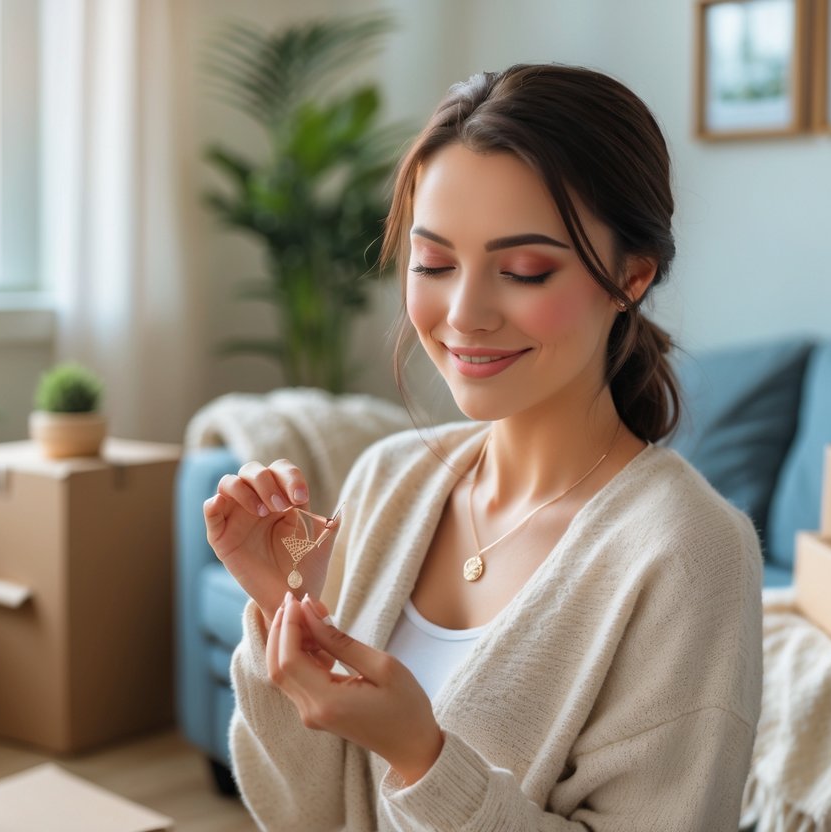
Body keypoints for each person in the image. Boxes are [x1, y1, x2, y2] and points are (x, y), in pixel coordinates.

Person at [204, 63, 762, 830]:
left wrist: (422, 759)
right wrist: (281, 606)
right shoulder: (388, 479)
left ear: (629, 278)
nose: (464, 314)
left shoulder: (689, 552)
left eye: (524, 271)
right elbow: (304, 813)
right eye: (432, 263)